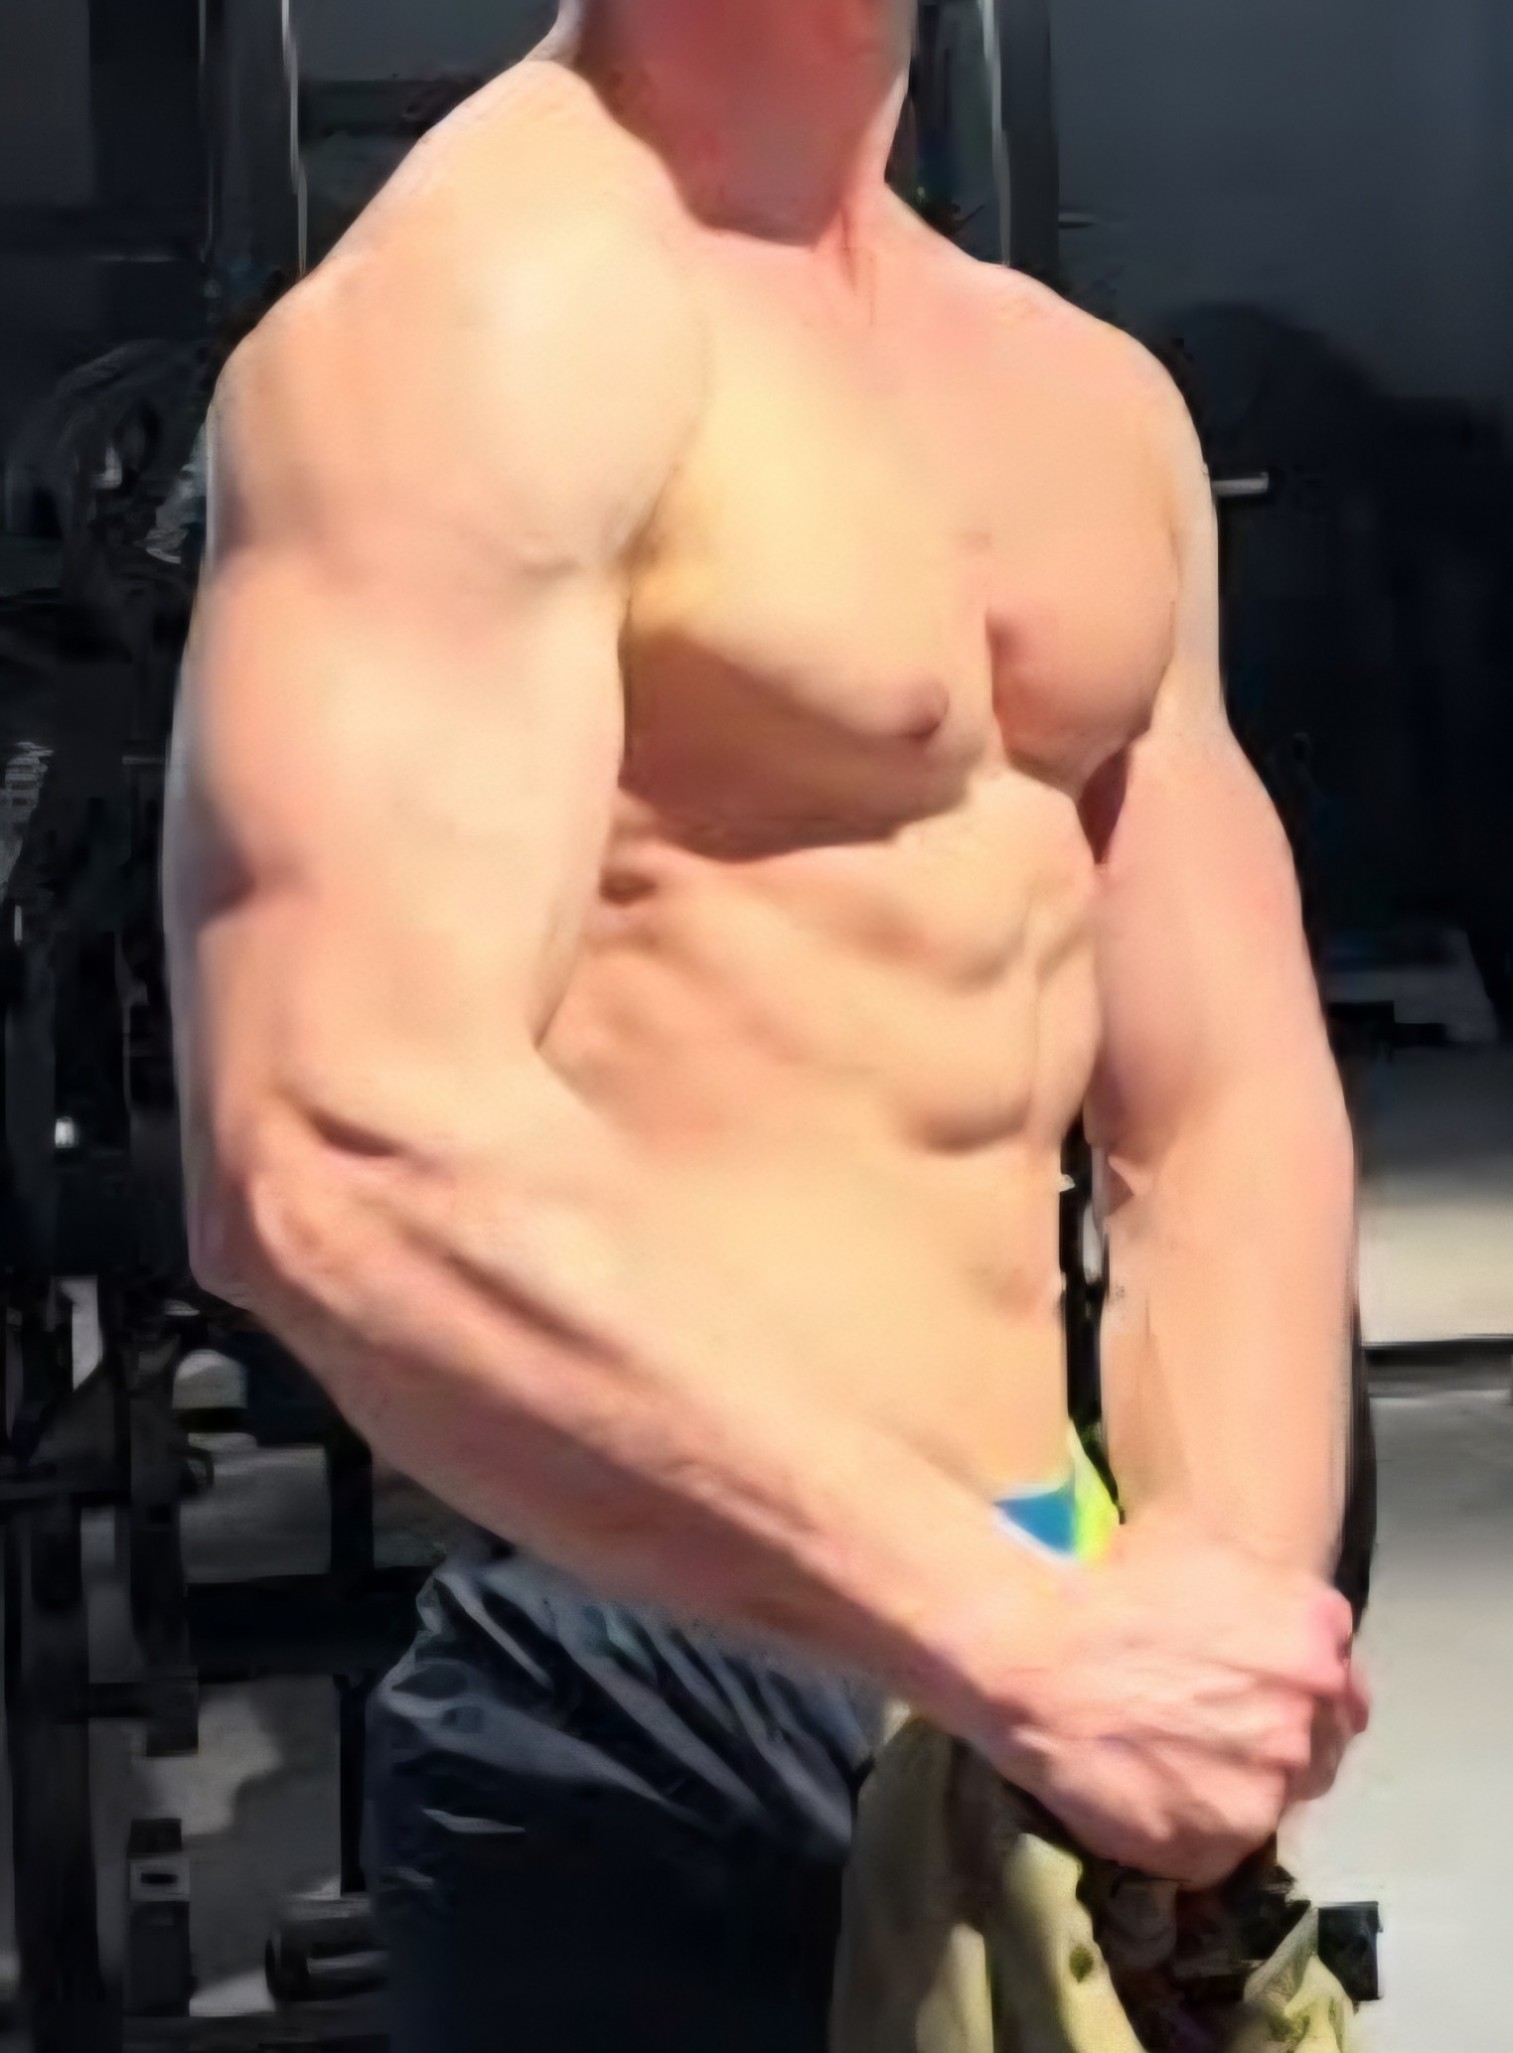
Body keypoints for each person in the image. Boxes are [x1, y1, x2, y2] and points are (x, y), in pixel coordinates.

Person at [162, 0, 1368, 2046]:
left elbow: (1221, 1092)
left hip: (1065, 1609)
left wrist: (1209, 1621)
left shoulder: (1085, 399)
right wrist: (1018, 1648)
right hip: (666, 1663)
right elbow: (334, 1144)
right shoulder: (481, 317)